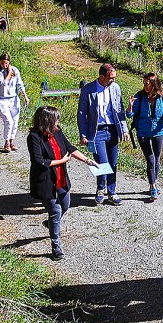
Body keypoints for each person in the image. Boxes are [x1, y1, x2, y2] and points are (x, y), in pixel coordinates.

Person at [27, 105, 98, 259]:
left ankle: (52, 224)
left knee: (65, 205)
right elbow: (39, 161)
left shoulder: (57, 132)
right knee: (55, 211)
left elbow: (69, 147)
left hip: (61, 179)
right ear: (46, 121)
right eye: (55, 120)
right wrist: (61, 160)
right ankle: (56, 246)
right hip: (46, 181)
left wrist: (87, 160)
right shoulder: (34, 137)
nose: (57, 123)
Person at [76, 63, 127, 206]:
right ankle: (100, 188)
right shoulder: (88, 90)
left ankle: (112, 192)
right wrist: (83, 134)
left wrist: (124, 129)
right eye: (111, 78)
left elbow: (119, 110)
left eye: (115, 78)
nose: (113, 81)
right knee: (102, 162)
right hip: (96, 131)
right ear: (102, 76)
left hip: (112, 130)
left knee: (113, 162)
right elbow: (81, 114)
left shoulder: (115, 88)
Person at [129, 73, 163, 202]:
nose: (145, 86)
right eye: (144, 83)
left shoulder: (162, 96)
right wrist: (130, 105)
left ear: (154, 84)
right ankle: (153, 187)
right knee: (150, 159)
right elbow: (129, 114)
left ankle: (153, 182)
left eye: (147, 83)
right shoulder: (140, 96)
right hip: (143, 132)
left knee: (157, 158)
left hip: (158, 132)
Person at [0, 52, 29, 152]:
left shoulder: (15, 70)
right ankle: (7, 141)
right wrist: (8, 74)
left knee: (15, 121)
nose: (4, 65)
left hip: (14, 98)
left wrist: (25, 95)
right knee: (8, 121)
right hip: (2, 99)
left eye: (6, 63)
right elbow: (3, 83)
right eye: (3, 63)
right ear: (0, 62)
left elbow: (20, 83)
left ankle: (12, 140)